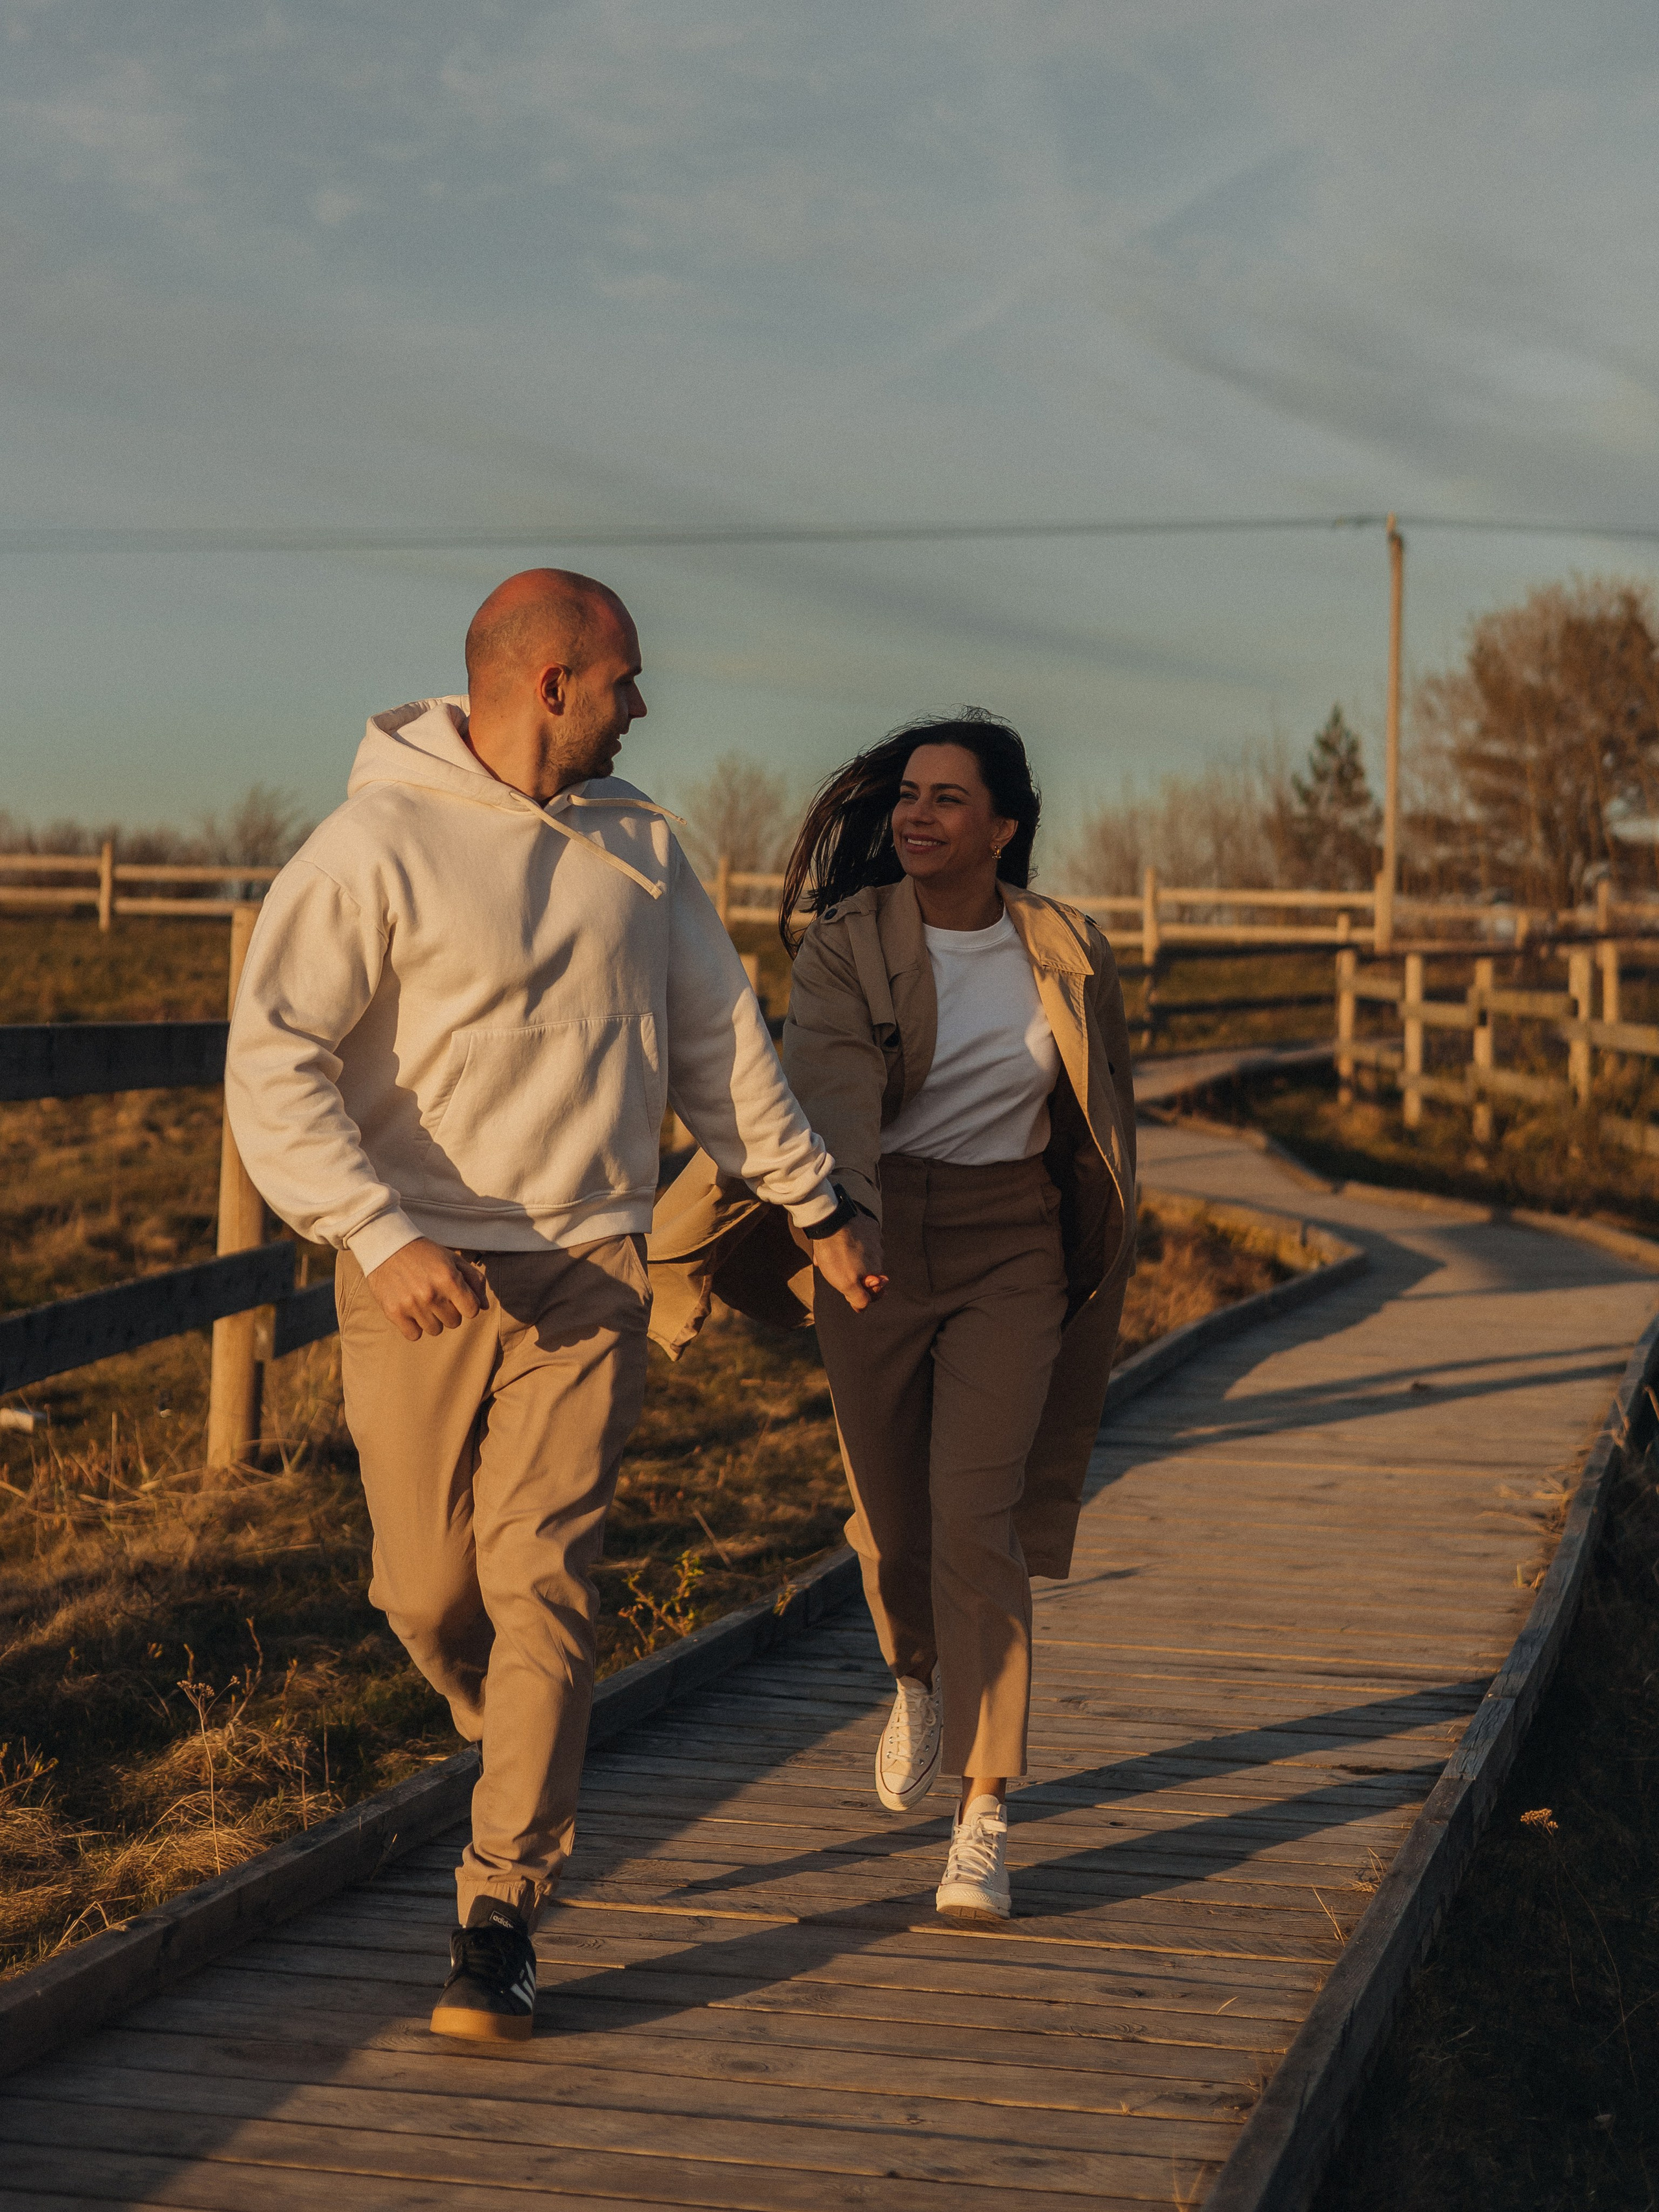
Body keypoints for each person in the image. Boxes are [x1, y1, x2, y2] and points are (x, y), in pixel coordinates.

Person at [224, 568, 875, 2043]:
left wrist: (818, 1208)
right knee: (423, 1594)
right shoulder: (373, 845)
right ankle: (518, 1718)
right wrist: (377, 1232)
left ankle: (499, 1912)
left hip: (591, 1270)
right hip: (419, 1275)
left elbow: (724, 1050)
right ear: (551, 684)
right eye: (625, 678)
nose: (644, 705)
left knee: (546, 1585)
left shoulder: (641, 848)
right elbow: (273, 1063)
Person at [648, 710, 1135, 1924]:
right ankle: (916, 1672)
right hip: (868, 1231)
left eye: (947, 798)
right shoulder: (848, 942)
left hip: (1012, 1242)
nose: (917, 814)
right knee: (894, 1521)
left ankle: (984, 1816)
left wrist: (1095, 1244)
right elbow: (833, 1083)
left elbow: (1102, 1113)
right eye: (909, 795)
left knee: (979, 1519)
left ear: (1004, 828)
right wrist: (844, 1218)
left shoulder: (1067, 947)